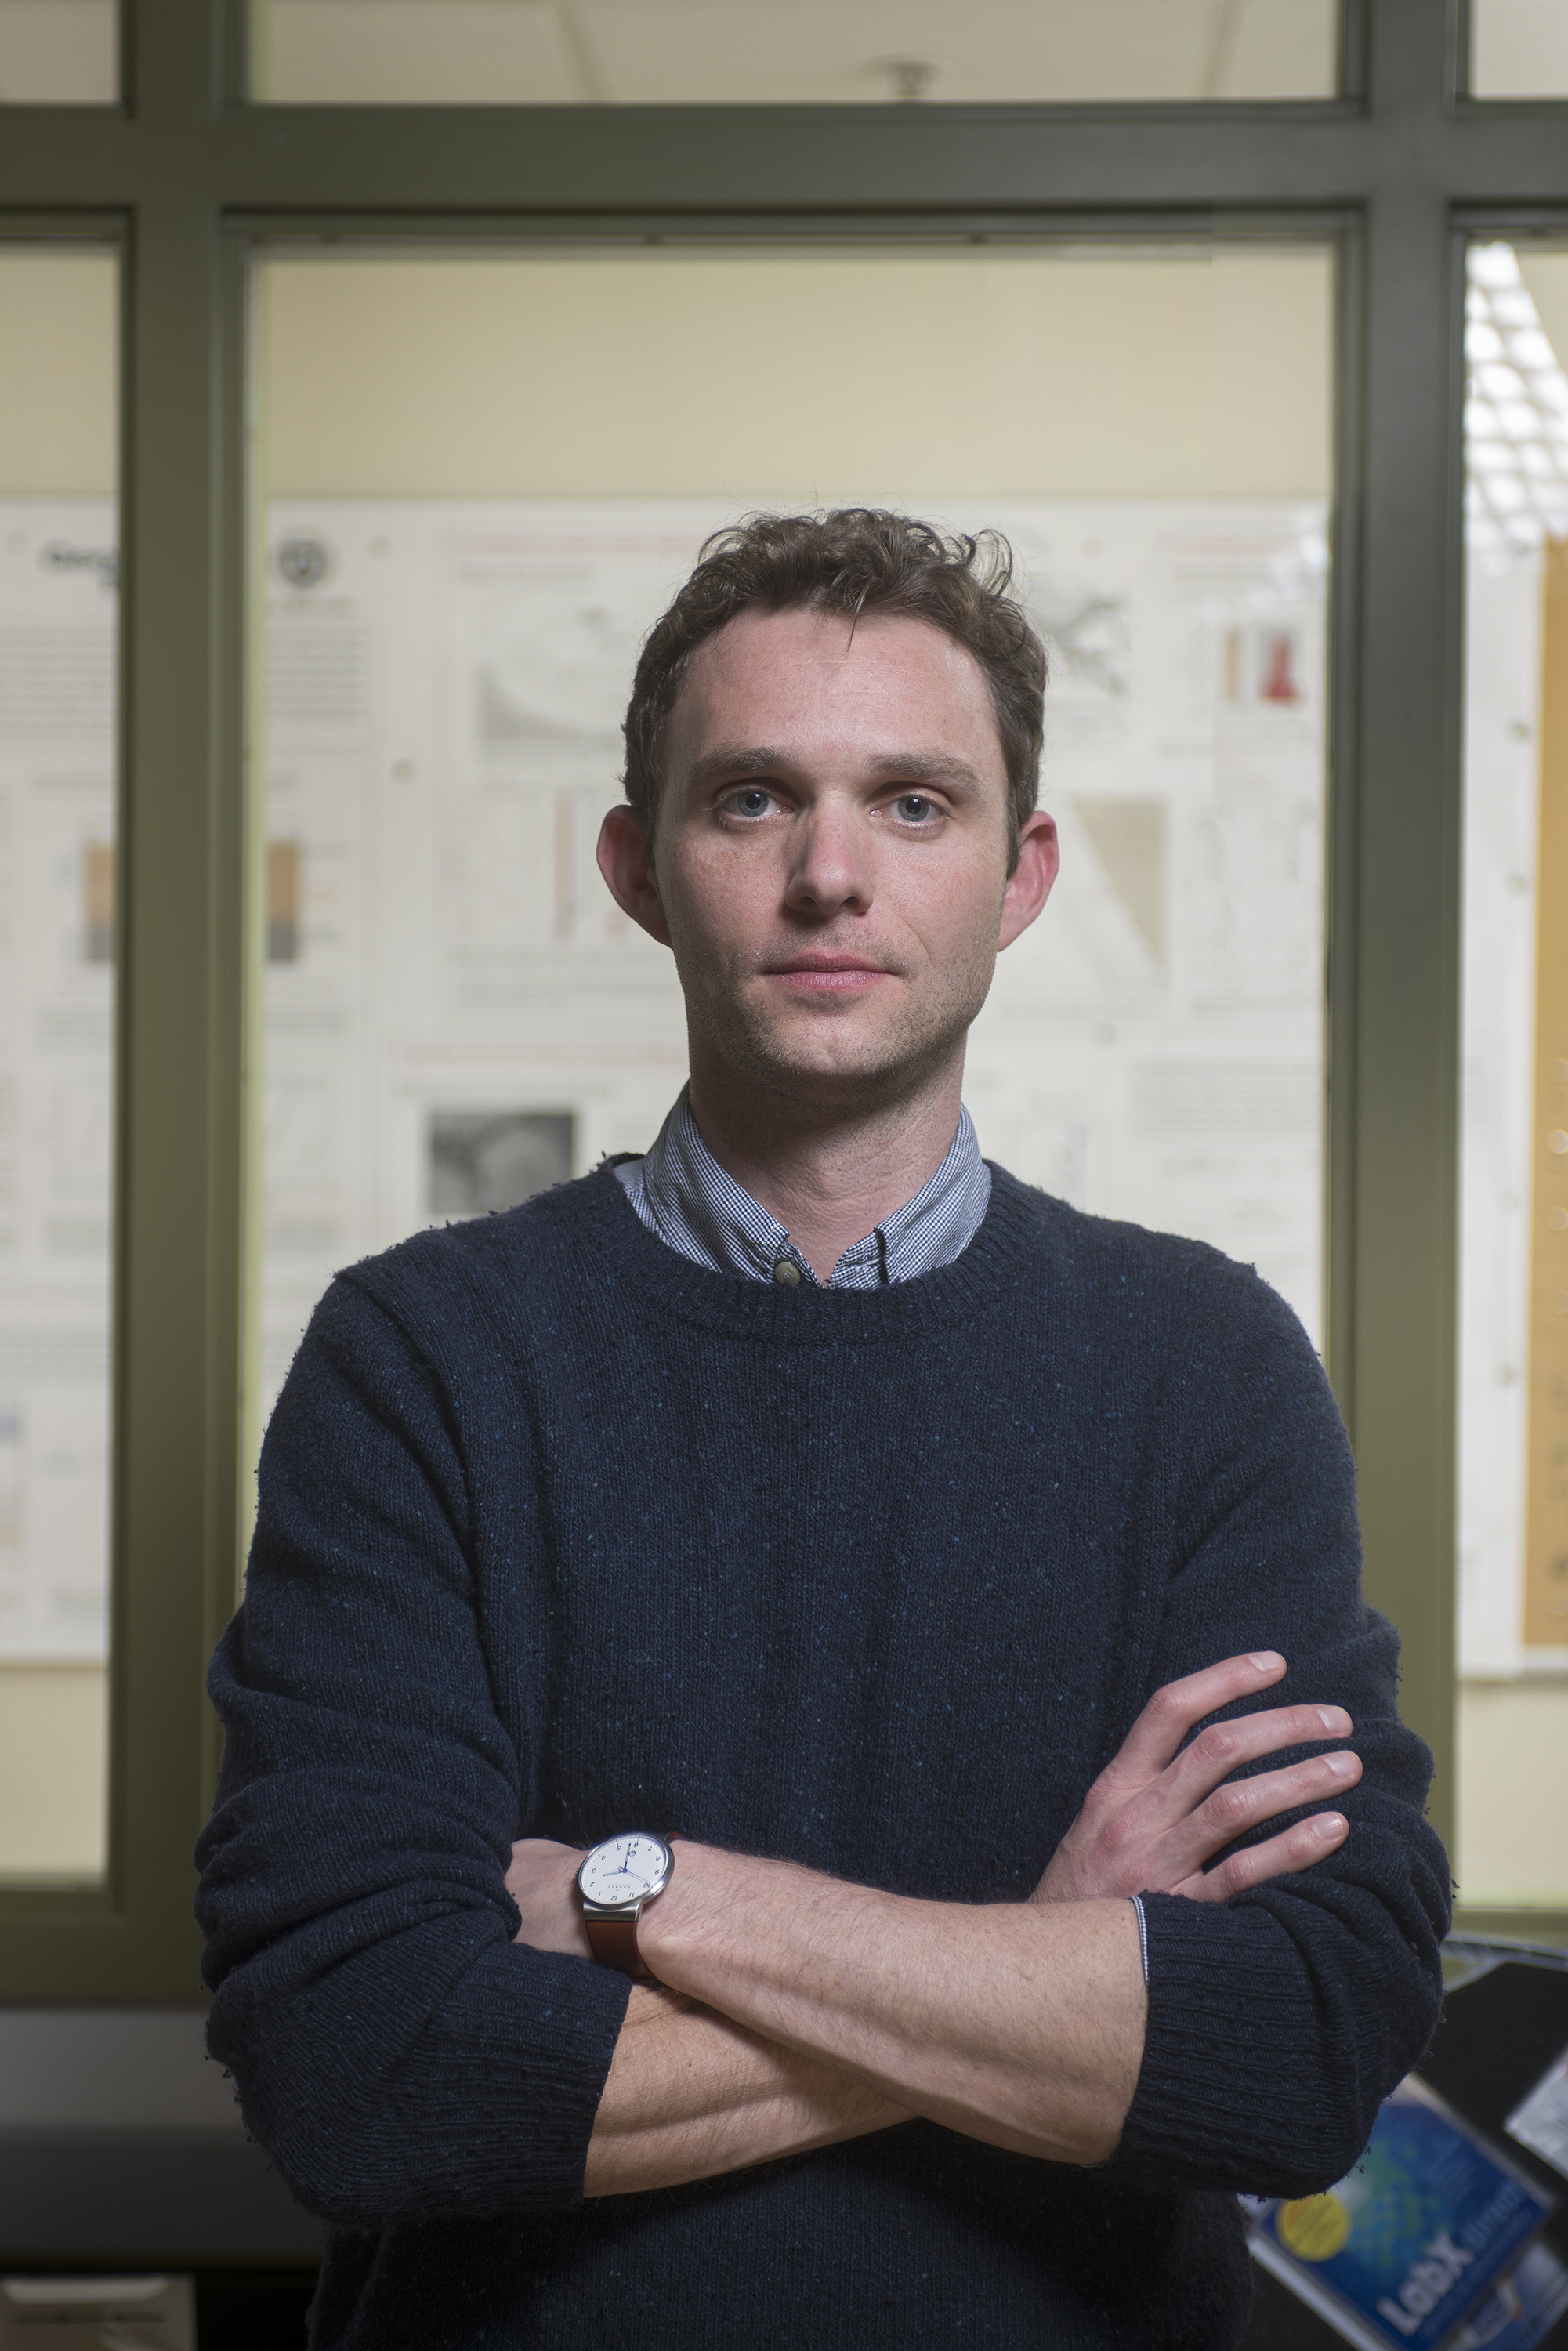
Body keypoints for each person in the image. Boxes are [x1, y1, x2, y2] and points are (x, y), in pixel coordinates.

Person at [196, 510, 1449, 2350]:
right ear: (636, 865)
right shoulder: (426, 1357)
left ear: (1019, 876)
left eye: (914, 804)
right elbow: (361, 2069)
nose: (831, 877)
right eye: (753, 799)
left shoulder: (1203, 1364)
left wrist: (656, 1898)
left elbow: (1294, 2051)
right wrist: (1042, 1963)